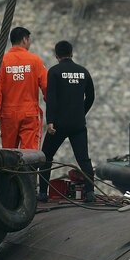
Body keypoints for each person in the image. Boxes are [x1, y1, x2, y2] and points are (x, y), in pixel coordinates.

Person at [38, 41, 95, 202]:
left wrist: (50, 121)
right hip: (78, 124)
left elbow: (52, 99)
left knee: (46, 156)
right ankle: (90, 193)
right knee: (84, 159)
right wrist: (81, 112)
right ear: (71, 53)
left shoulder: (54, 72)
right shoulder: (83, 72)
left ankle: (43, 193)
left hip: (59, 124)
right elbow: (91, 96)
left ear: (56, 55)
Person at [0, 26, 48, 149]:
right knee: (30, 156)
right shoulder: (35, 61)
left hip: (8, 115)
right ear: (25, 39)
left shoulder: (2, 61)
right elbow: (46, 86)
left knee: (9, 155)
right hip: (29, 113)